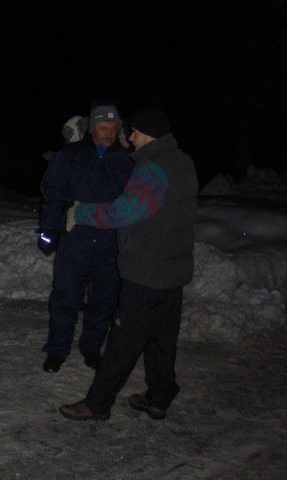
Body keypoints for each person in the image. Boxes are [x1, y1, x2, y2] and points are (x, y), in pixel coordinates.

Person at [59, 107, 198, 421]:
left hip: (146, 271)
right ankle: (159, 396)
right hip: (172, 270)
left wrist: (80, 212)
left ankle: (97, 404)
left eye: (134, 132)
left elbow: (124, 212)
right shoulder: (182, 161)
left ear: (148, 135)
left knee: (122, 342)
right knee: (161, 339)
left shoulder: (152, 170)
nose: (130, 137)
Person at [38, 104, 134, 373]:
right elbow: (54, 194)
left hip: (110, 243)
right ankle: (57, 350)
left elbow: (133, 204)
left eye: (113, 128)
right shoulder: (71, 156)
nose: (109, 133)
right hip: (75, 240)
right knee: (65, 298)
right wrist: (48, 230)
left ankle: (92, 348)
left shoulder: (127, 160)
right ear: (91, 129)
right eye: (103, 128)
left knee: (104, 300)